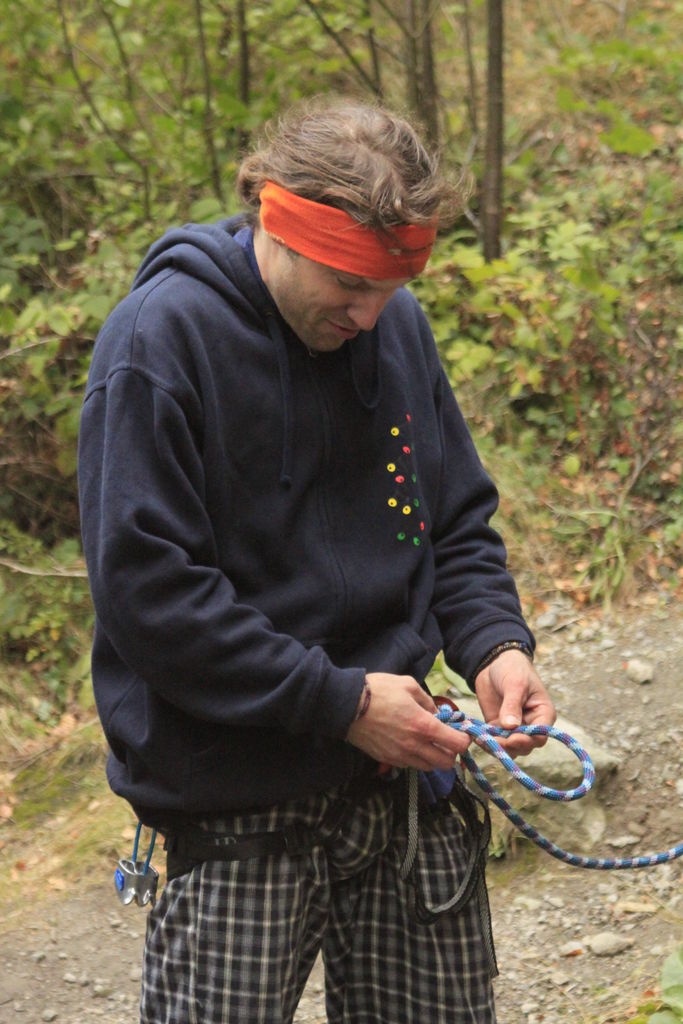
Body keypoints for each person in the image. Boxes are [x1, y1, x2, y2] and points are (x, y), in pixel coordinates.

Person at [78, 97, 556, 1024]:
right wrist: (337, 704)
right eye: (347, 282)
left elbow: (452, 522)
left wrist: (496, 643)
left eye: (388, 286)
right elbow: (150, 596)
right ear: (274, 218)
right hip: (235, 805)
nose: (370, 314)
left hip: (402, 790)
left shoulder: (393, 324)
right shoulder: (160, 342)